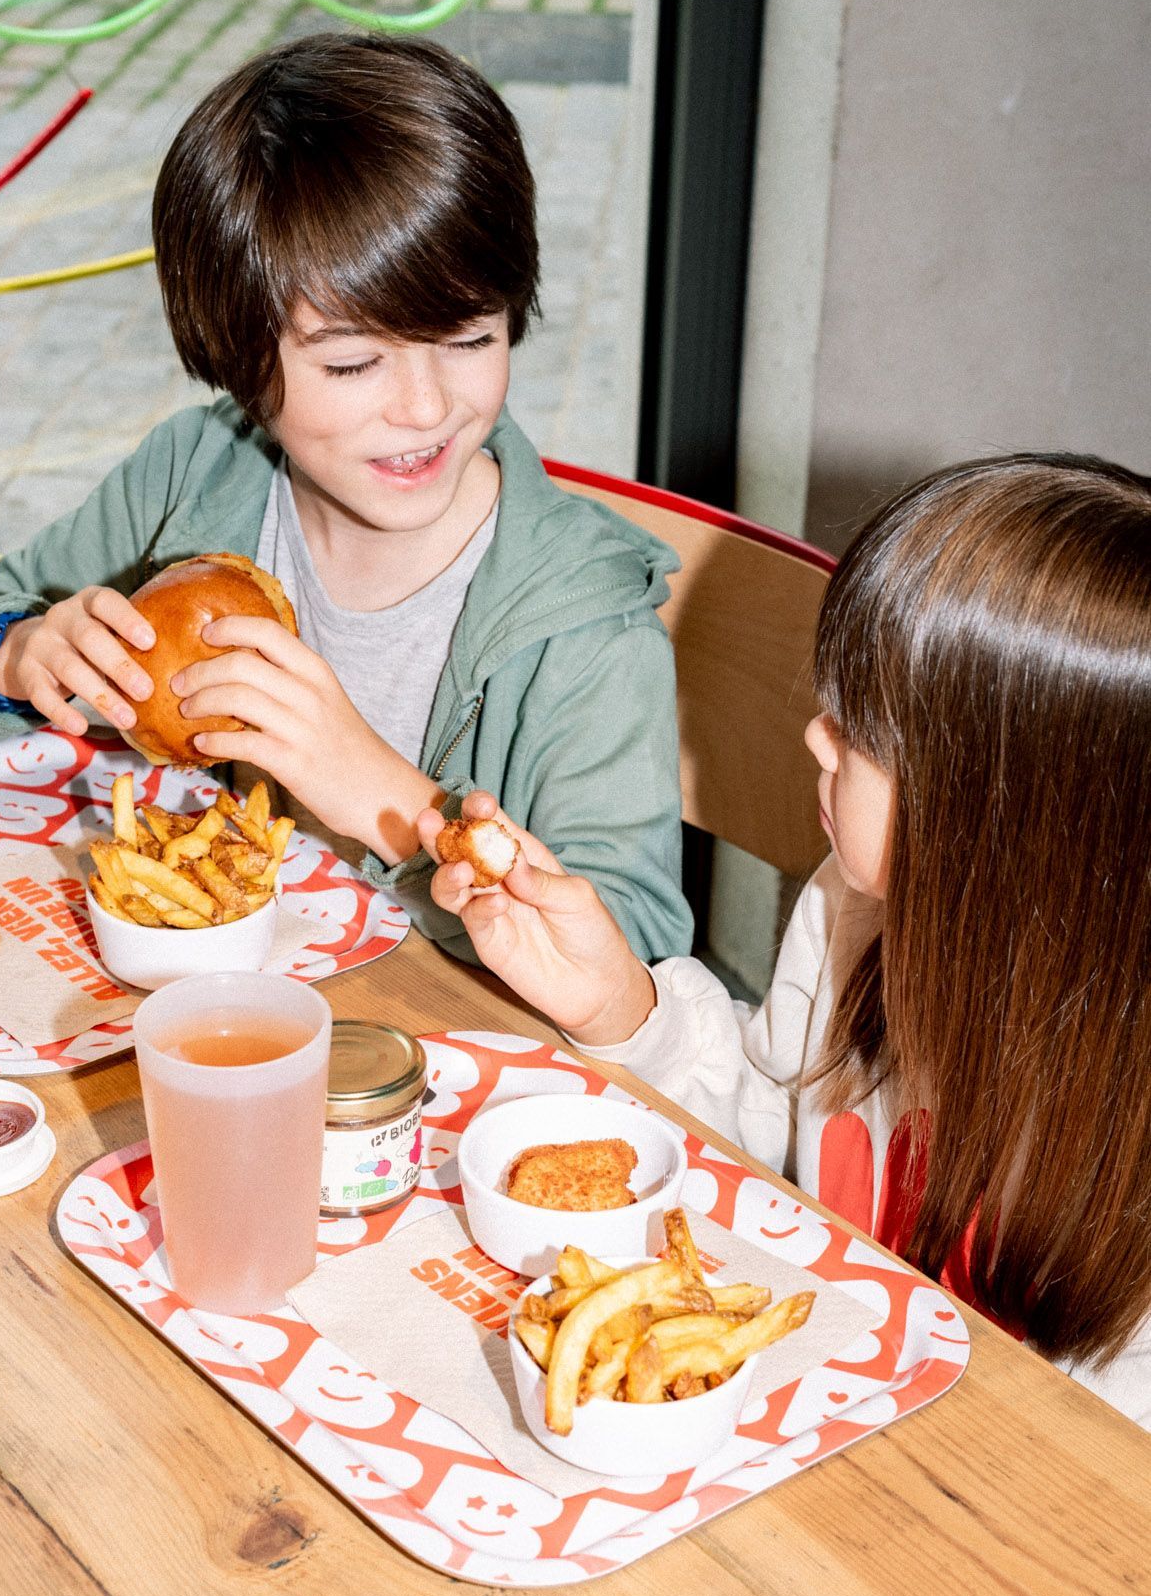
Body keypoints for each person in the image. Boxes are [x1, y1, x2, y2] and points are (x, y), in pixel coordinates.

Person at [0, 33, 692, 963]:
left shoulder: (584, 623)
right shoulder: (193, 477)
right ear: (241, 364)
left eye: (471, 341)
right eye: (354, 362)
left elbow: (636, 956)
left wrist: (390, 805)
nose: (425, 406)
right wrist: (15, 653)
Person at [420, 453, 1151, 1426]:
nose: (816, 735)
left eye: (867, 730)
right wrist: (618, 1007)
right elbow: (770, 1127)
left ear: (1011, 824)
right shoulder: (855, 907)